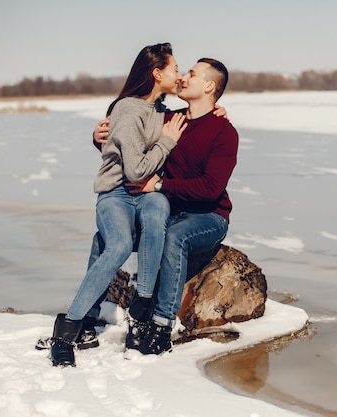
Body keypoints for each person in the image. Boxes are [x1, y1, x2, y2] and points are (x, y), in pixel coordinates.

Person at [49, 43, 187, 367]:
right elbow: (136, 169)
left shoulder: (161, 111)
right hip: (117, 193)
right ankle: (66, 330)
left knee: (157, 218)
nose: (179, 75)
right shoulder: (127, 108)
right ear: (157, 73)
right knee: (119, 244)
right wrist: (167, 142)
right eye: (175, 69)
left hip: (149, 194)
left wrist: (218, 111)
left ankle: (142, 304)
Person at [92, 57, 239, 356]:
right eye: (183, 72)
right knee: (104, 237)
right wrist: (98, 139)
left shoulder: (224, 132)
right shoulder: (170, 121)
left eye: (192, 74)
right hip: (170, 212)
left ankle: (160, 325)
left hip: (208, 216)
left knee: (176, 237)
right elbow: (128, 141)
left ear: (209, 86)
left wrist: (159, 185)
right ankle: (86, 316)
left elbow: (211, 188)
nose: (183, 77)